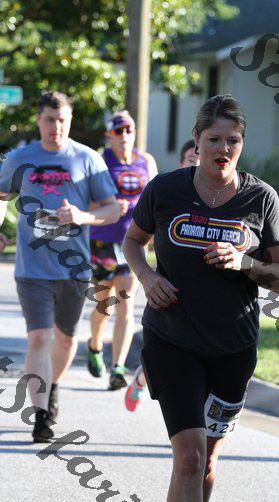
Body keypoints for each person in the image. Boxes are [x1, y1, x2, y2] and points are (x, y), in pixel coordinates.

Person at [123, 94, 279, 502]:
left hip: (233, 347)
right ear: (196, 141)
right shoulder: (166, 189)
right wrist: (148, 277)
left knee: (209, 461)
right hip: (172, 338)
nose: (222, 149)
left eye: (232, 140)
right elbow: (132, 242)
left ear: (242, 143)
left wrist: (246, 263)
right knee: (190, 457)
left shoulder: (261, 199)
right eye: (213, 139)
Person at [0, 91, 119, 442]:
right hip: (32, 267)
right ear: (39, 120)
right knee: (39, 337)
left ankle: (51, 387)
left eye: (62, 120)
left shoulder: (87, 158)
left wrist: (82, 216)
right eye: (50, 120)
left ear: (70, 121)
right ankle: (40, 417)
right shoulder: (20, 158)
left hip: (73, 268)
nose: (56, 127)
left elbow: (113, 208)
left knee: (66, 340)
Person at [123, 138, 199, 411]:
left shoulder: (221, 198)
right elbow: (137, 238)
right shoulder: (168, 194)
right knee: (162, 362)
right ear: (181, 163)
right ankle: (141, 378)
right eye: (191, 160)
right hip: (170, 293)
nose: (197, 164)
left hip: (208, 300)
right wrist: (147, 276)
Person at [87, 110, 158, 390]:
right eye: (118, 130)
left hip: (134, 242)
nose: (124, 135)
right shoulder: (99, 161)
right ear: (109, 135)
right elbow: (85, 202)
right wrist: (108, 206)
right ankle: (94, 345)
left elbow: (156, 196)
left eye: (128, 129)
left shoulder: (146, 161)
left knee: (125, 305)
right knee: (104, 306)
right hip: (102, 242)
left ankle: (117, 367)